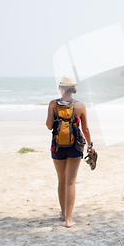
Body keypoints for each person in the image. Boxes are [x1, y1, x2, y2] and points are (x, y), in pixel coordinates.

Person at [46, 75, 94, 228]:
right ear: (73, 89)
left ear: (61, 88)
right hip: (75, 146)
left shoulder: (53, 104)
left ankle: (63, 213)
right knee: (71, 182)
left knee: (61, 180)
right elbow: (85, 129)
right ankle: (68, 220)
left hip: (58, 145)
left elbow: (48, 126)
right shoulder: (80, 106)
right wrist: (90, 145)